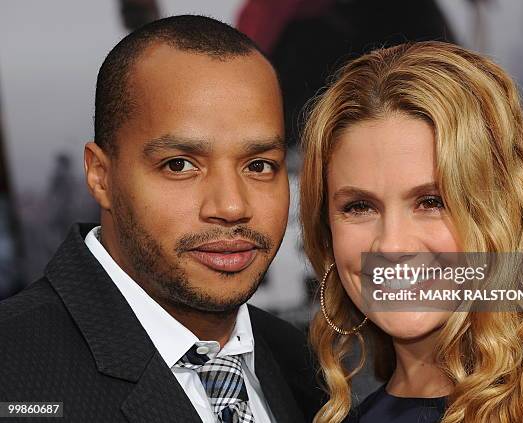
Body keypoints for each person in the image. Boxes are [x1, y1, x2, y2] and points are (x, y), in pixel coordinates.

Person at [0, 15, 324, 422]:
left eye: (259, 165)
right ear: (100, 176)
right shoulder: (12, 374)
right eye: (179, 165)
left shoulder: (304, 366)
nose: (230, 206)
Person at [300, 41, 523, 423]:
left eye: (432, 202)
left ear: (506, 210)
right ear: (326, 231)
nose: (392, 245)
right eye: (359, 207)